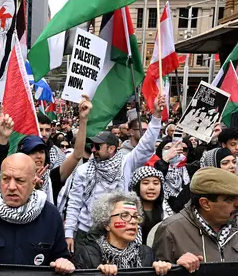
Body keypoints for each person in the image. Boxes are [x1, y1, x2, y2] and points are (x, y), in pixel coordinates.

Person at [64, 99, 163, 253]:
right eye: (93, 146)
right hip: (86, 231)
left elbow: (146, 147)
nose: (94, 149)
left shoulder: (125, 163)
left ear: (111, 149)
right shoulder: (84, 170)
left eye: (98, 146)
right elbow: (75, 202)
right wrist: (69, 233)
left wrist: (156, 116)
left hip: (117, 230)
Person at [153, 167, 238, 269]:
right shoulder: (171, 230)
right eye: (229, 199)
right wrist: (176, 268)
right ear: (205, 203)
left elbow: (237, 264)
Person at [73, 191, 172, 275]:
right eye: (125, 215)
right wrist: (97, 275)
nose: (133, 221)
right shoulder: (87, 254)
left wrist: (161, 271)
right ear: (106, 223)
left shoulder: (146, 253)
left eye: (136, 216)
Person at [19, 94, 89, 203]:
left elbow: (77, 155)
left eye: (42, 151)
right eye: (33, 152)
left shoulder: (51, 177)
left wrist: (83, 120)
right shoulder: (13, 179)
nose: (38, 156)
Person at [129, 166, 173, 240]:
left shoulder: (166, 212)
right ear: (136, 186)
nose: (151, 187)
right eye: (146, 183)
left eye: (156, 183)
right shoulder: (129, 212)